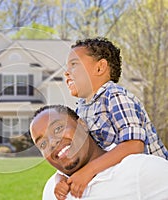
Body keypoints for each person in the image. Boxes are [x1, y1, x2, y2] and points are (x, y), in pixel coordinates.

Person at [57, 37, 168, 198]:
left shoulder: (114, 96)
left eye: (74, 65)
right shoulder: (81, 107)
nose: (66, 72)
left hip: (150, 183)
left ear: (100, 67)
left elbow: (134, 145)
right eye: (66, 67)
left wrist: (89, 171)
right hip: (120, 180)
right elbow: (79, 150)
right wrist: (62, 178)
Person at [29, 104, 168, 200]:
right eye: (43, 143)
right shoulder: (51, 190)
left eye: (58, 128)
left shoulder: (141, 170)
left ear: (82, 124)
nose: (52, 142)